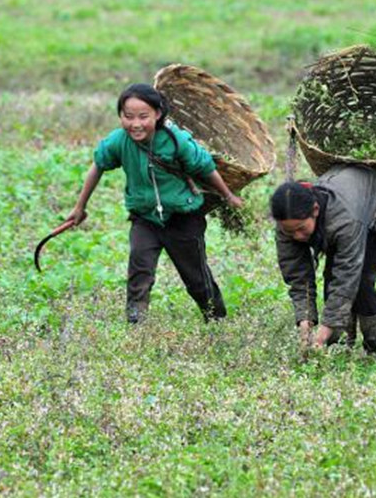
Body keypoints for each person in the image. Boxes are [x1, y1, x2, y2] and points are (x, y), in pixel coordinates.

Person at [66, 83, 243, 324]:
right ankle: (136, 322)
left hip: (183, 218)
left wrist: (228, 195)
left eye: (143, 116)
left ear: (158, 114)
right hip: (145, 219)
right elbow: (98, 165)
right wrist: (80, 207)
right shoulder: (119, 141)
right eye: (128, 117)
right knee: (139, 272)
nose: (135, 124)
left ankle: (216, 319)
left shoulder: (175, 140)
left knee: (196, 276)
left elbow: (205, 167)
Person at [271, 166, 376, 354]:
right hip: (347, 205)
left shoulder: (345, 220)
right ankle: (340, 347)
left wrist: (324, 331)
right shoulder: (287, 224)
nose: (297, 236)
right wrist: (305, 322)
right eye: (290, 231)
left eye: (302, 228)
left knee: (360, 284)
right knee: (331, 280)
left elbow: (347, 277)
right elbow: (298, 276)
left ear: (315, 210)